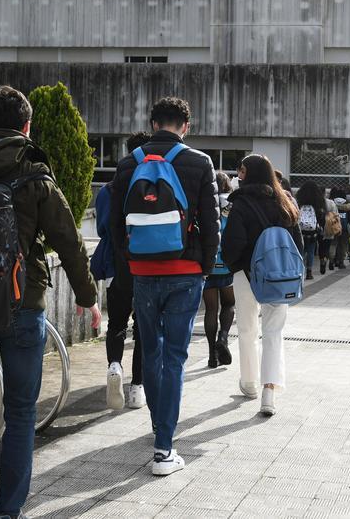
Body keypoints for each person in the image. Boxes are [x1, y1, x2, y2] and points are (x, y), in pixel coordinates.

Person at [0, 86, 101, 519]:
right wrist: (88, 298)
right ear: (27, 127)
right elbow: (69, 241)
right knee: (21, 411)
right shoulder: (35, 176)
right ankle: (7, 510)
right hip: (22, 303)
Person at [109, 96, 218, 477]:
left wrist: (131, 258)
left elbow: (113, 222)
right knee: (175, 357)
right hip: (185, 271)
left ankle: (159, 429)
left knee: (150, 351)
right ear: (185, 126)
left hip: (143, 271)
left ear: (153, 122)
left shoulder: (129, 162)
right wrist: (203, 266)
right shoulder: (199, 162)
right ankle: (164, 449)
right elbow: (211, 219)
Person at [221, 154, 303, 416]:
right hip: (279, 276)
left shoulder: (241, 204)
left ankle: (249, 383)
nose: (239, 175)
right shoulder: (285, 202)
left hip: (247, 274)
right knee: (273, 332)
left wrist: (237, 267)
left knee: (247, 329)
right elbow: (297, 245)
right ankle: (269, 392)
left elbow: (232, 244)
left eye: (242, 170)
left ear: (251, 174)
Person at [100, 132, 151, 410]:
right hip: (146, 264)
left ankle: (114, 366)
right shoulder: (153, 182)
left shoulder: (110, 187)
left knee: (116, 323)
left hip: (115, 264)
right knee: (143, 328)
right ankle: (137, 389)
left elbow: (102, 228)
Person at [203, 171, 236, 368]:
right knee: (229, 303)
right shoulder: (232, 206)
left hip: (207, 264)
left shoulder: (206, 204)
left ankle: (211, 356)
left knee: (210, 309)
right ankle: (222, 338)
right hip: (227, 263)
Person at [294, 181, 326, 281]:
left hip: (301, 231)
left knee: (301, 250)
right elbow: (321, 217)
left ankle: (300, 270)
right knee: (311, 251)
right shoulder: (318, 202)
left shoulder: (299, 201)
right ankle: (309, 272)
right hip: (313, 232)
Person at [317, 194, 338, 275]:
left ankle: (322, 259)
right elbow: (336, 215)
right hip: (330, 227)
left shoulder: (318, 203)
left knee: (320, 246)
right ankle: (325, 258)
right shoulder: (331, 203)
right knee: (327, 246)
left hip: (320, 228)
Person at [332, 193, 350, 270]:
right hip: (344, 229)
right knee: (343, 245)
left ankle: (333, 260)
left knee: (334, 244)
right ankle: (341, 262)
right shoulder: (347, 205)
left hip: (334, 227)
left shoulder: (332, 203)